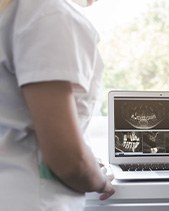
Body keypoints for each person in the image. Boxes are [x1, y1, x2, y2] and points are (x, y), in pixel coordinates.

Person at [0, 0, 115, 210]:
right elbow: (69, 161)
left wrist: (85, 158)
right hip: (31, 197)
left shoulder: (21, 10)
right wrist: (100, 180)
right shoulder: (50, 14)